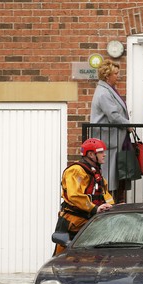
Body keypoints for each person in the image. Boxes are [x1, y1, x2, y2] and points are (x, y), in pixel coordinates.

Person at [53, 138, 115, 255]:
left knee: (90, 256)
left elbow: (104, 194)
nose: (104, 155)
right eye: (101, 152)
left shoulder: (95, 172)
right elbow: (74, 195)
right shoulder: (76, 171)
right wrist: (95, 208)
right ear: (91, 154)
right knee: (64, 257)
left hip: (89, 221)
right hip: (73, 222)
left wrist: (113, 207)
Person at [90, 59, 132, 204]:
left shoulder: (108, 90)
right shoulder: (103, 93)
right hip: (108, 141)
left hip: (113, 140)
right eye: (116, 73)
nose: (118, 76)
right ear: (107, 76)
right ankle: (109, 204)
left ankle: (117, 202)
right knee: (109, 175)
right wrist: (128, 124)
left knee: (116, 175)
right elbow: (113, 116)